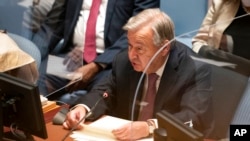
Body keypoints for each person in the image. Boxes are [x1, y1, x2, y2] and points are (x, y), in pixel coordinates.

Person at [63, 8, 215, 140]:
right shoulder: (124, 61)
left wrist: (149, 127)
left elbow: (194, 118)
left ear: (164, 48)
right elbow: (104, 92)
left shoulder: (194, 68)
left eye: (140, 49)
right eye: (130, 46)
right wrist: (83, 108)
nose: (131, 55)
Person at [30, 0, 160, 96]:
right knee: (35, 78)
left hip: (112, 63)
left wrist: (96, 65)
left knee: (100, 95)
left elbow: (140, 32)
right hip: (72, 56)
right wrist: (29, 59)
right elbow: (52, 26)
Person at [192, 0, 250, 76]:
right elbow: (199, 41)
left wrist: (229, 42)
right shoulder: (220, 3)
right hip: (218, 73)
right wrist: (205, 52)